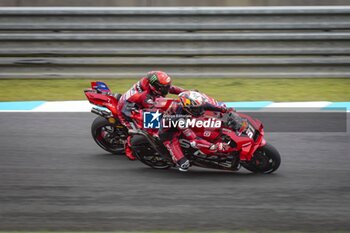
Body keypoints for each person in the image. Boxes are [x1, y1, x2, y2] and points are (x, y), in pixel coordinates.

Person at [158, 91, 235, 172]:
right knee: (184, 165)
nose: (201, 110)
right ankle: (177, 158)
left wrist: (224, 110)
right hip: (169, 133)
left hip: (183, 120)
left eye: (200, 107)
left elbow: (206, 105)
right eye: (197, 108)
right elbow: (194, 140)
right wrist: (213, 146)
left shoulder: (189, 105)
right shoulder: (180, 120)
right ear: (188, 108)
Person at [117, 71, 186, 160]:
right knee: (141, 130)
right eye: (164, 87)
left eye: (167, 85)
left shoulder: (153, 84)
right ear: (156, 87)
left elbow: (171, 88)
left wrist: (186, 92)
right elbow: (157, 108)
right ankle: (129, 147)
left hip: (138, 102)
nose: (167, 88)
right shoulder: (146, 96)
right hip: (126, 111)